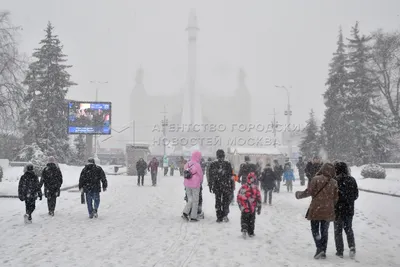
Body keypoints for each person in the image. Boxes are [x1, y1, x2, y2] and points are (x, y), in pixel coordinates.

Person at [305, 163, 338, 259]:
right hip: (328, 210)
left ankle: (319, 248)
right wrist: (330, 204)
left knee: (315, 229)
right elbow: (336, 198)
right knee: (324, 231)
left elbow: (309, 192)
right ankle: (323, 250)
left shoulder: (316, 179)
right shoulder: (334, 182)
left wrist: (299, 195)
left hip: (316, 208)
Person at [334, 162, 359, 259]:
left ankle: (340, 251)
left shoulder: (335, 180)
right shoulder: (352, 180)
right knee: (348, 229)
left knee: (338, 231)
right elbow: (356, 195)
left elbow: (333, 196)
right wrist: (349, 200)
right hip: (349, 209)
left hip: (337, 209)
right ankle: (352, 247)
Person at [209, 149, 234, 222]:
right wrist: (232, 186)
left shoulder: (213, 164)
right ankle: (225, 215)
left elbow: (211, 176)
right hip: (226, 185)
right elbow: (231, 176)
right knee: (225, 201)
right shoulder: (228, 164)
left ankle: (219, 216)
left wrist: (210, 186)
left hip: (217, 186)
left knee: (218, 201)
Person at [237, 172, 262, 238]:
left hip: (251, 208)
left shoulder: (254, 188)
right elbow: (239, 196)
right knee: (246, 219)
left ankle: (249, 231)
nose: (252, 180)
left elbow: (258, 197)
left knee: (250, 220)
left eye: (253, 179)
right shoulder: (246, 187)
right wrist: (240, 204)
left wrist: (259, 206)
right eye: (251, 178)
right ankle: (246, 230)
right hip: (247, 207)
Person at [182, 150, 203, 221]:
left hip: (187, 184)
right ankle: (193, 216)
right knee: (195, 200)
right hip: (195, 184)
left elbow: (185, 170)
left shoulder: (188, 164)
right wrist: (200, 182)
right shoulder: (197, 165)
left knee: (190, 199)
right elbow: (200, 175)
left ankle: (185, 212)